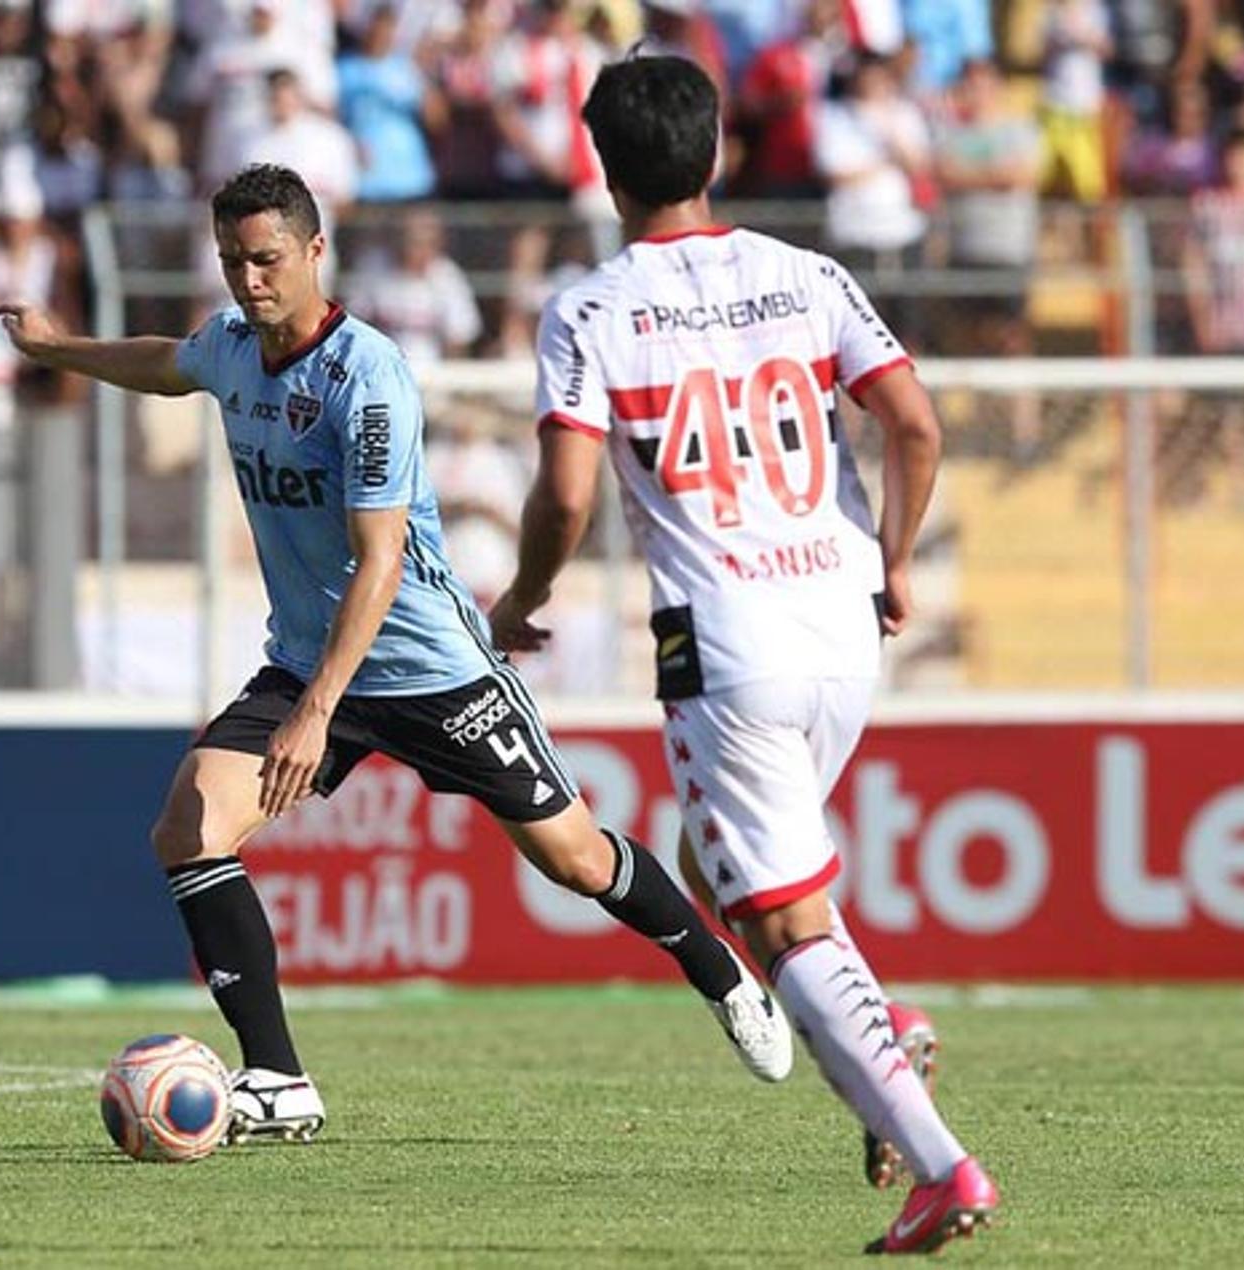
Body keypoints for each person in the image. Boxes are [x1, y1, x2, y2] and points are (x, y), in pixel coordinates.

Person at [0, 163, 791, 1143]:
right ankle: (279, 1078)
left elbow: (378, 561)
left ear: (315, 251)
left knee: (574, 858)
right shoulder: (232, 352)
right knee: (189, 826)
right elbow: (169, 361)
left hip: (429, 668)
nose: (249, 281)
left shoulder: (365, 377)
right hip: (307, 660)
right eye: (233, 262)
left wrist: (315, 709)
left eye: (267, 260)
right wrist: (55, 345)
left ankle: (721, 974)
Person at [488, 58, 998, 1254]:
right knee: (719, 865)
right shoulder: (806, 273)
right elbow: (914, 423)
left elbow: (566, 494)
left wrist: (523, 597)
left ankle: (943, 1167)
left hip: (725, 642)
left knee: (776, 919)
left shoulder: (593, 307)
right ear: (714, 153)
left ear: (603, 168)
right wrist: (898, 559)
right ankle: (885, 1023)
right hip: (840, 620)